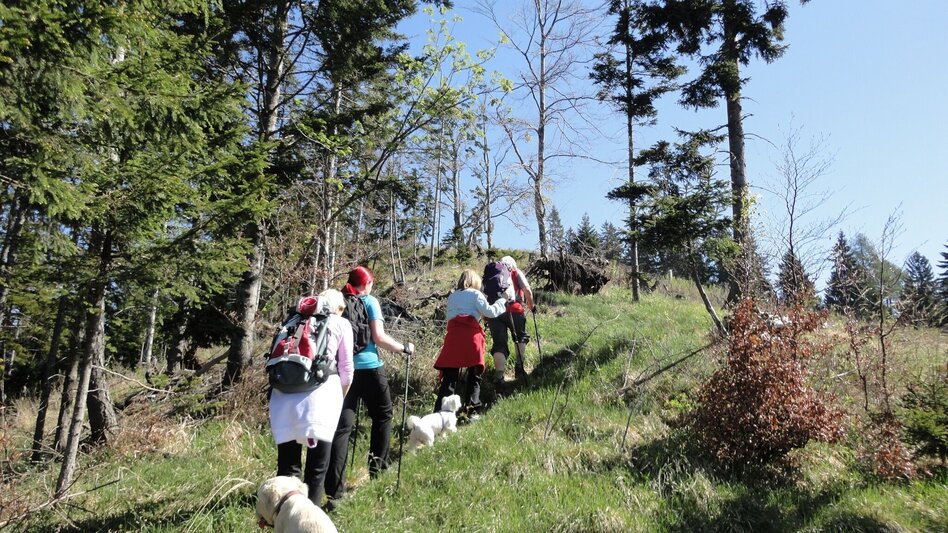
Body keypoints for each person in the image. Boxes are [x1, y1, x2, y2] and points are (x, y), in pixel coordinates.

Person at [325, 266, 414, 506]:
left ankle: (335, 492)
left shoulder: (339, 302)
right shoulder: (370, 302)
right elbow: (379, 338)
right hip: (370, 368)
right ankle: (378, 471)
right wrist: (404, 348)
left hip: (342, 372)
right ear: (368, 284)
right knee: (383, 416)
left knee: (341, 429)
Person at [268, 289, 353, 506]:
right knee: (316, 469)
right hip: (320, 401)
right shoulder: (341, 324)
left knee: (288, 469)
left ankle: (285, 518)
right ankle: (308, 521)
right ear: (339, 308)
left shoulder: (293, 321)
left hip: (282, 400)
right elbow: (346, 369)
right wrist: (340, 397)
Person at [433, 269, 508, 416]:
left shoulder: (453, 296)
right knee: (474, 374)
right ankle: (472, 410)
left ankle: (441, 413)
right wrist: (502, 300)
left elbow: (450, 317)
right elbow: (491, 312)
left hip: (453, 337)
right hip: (471, 337)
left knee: (449, 376)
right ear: (474, 281)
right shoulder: (475, 294)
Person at [486, 255, 535, 392]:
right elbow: (527, 290)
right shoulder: (515, 271)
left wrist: (485, 315)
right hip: (514, 309)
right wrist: (531, 306)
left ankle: (499, 377)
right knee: (520, 337)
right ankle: (519, 368)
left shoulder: (493, 273)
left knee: (499, 344)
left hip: (495, 311)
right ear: (513, 264)